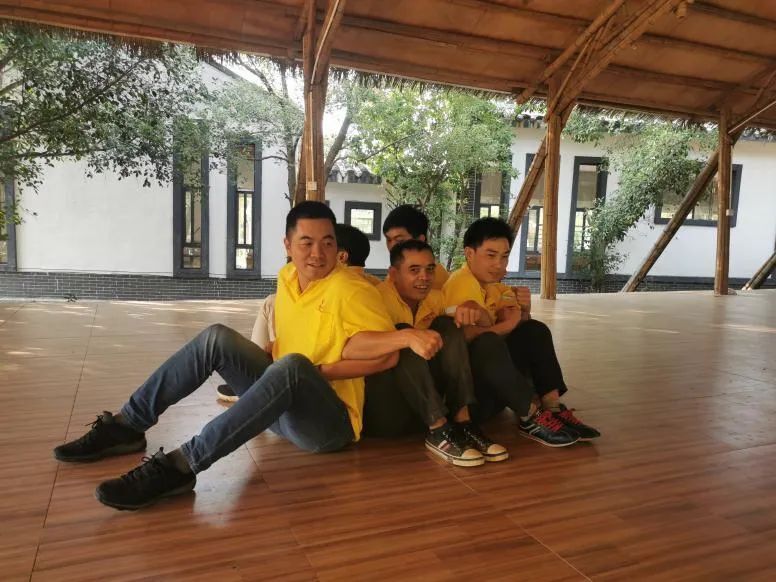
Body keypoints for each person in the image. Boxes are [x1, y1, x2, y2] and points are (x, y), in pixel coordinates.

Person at [53, 201, 442, 511]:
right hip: (278, 401)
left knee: (293, 367)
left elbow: (387, 357)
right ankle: (127, 425)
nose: (318, 253)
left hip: (327, 426)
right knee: (216, 338)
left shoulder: (351, 289)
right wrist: (271, 355)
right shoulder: (287, 278)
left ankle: (181, 465)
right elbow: (296, 335)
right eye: (306, 242)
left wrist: (318, 371)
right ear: (287, 245)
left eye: (327, 242)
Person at [443, 217, 601, 446]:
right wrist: (508, 325)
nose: (499, 264)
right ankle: (530, 416)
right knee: (488, 343)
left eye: (504, 256)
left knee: (535, 330)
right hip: (469, 397)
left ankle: (552, 408)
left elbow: (520, 327)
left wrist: (524, 312)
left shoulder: (494, 286)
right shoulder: (462, 283)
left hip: (495, 385)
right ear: (469, 253)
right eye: (490, 255)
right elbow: (465, 340)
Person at [364, 239, 508, 466]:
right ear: (393, 274)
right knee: (404, 334)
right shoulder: (376, 300)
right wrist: (407, 337)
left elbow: (479, 324)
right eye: (414, 270)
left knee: (447, 325)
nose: (424, 277)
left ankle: (463, 422)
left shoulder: (435, 298)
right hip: (388, 403)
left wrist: (476, 309)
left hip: (425, 398)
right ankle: (438, 430)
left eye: (430, 269)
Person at [215, 223, 380, 403]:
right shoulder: (373, 284)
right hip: (310, 378)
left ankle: (254, 380)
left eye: (326, 245)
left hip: (321, 388)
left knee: (271, 303)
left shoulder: (345, 289)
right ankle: (256, 379)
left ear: (341, 256)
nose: (316, 253)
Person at [382, 204, 449, 289]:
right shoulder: (398, 269)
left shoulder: (433, 276)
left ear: (420, 240)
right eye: (388, 240)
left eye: (400, 241)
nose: (392, 247)